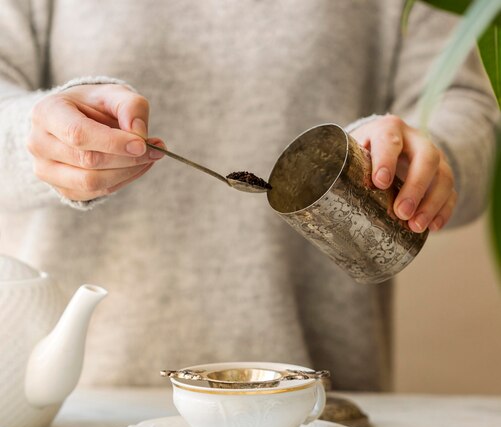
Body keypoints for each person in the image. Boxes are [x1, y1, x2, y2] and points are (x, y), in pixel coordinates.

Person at [0, 0, 498, 390]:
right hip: (83, 411)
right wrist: (34, 137)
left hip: (320, 420)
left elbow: (465, 106)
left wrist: (423, 156)